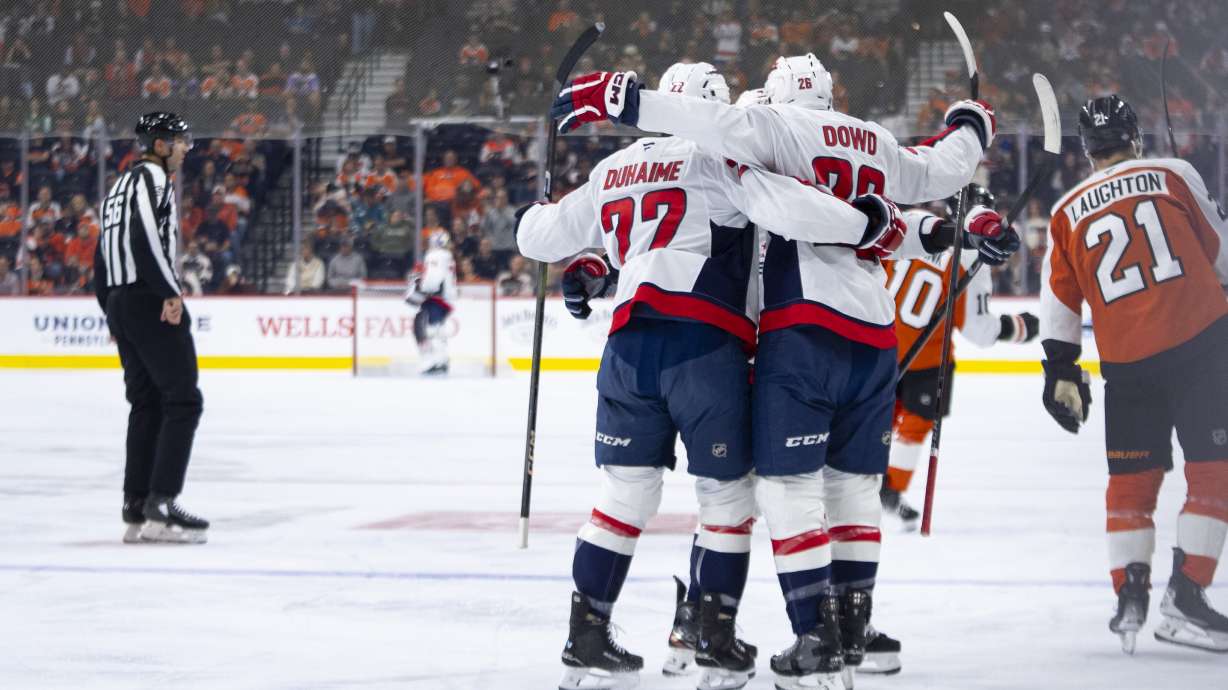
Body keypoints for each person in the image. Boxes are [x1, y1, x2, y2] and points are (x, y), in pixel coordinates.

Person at [549, 53, 998, 689]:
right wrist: (969, 139)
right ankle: (836, 629)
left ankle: (762, 632)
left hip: (777, 333)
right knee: (818, 492)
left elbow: (686, 226)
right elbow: (924, 187)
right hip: (868, 332)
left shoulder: (760, 139)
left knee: (739, 492)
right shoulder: (869, 139)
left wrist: (626, 105)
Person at [1041, 95, 1228, 655]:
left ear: (1086, 148)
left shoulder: (1065, 210)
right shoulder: (1172, 173)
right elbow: (1221, 254)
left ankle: (1130, 597)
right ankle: (1186, 597)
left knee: (1131, 486)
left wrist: (1059, 370)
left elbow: (1059, 304)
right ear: (1135, 135)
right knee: (1215, 474)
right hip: (1200, 348)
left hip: (1126, 365)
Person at [881, 186, 1038, 532]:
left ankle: (850, 486)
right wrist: (1020, 327)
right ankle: (888, 490)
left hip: (877, 346)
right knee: (915, 425)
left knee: (871, 423)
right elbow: (979, 331)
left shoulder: (911, 222)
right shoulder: (972, 260)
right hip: (927, 360)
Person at [94, 112, 208, 544]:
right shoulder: (153, 181)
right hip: (148, 298)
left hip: (124, 301)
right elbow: (145, 239)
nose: (184, 149)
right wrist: (170, 293)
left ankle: (136, 505)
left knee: (146, 403)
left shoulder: (117, 188)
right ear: (160, 145)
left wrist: (110, 309)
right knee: (183, 401)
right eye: (180, 142)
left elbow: (103, 252)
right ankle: (162, 503)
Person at [404, 230, 457, 376]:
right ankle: (442, 360)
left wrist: (423, 287)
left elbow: (434, 277)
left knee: (433, 329)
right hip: (446, 296)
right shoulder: (448, 256)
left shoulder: (435, 255)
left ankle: (436, 361)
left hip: (436, 297)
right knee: (438, 328)